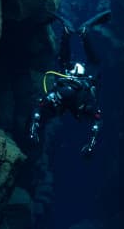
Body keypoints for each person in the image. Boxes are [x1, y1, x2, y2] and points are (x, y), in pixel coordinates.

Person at [29, 10, 112, 156]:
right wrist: (90, 145)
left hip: (77, 75)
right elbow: (97, 121)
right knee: (65, 63)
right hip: (73, 74)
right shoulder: (80, 101)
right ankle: (72, 33)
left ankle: (77, 32)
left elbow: (38, 109)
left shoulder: (60, 98)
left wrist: (34, 129)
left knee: (91, 65)